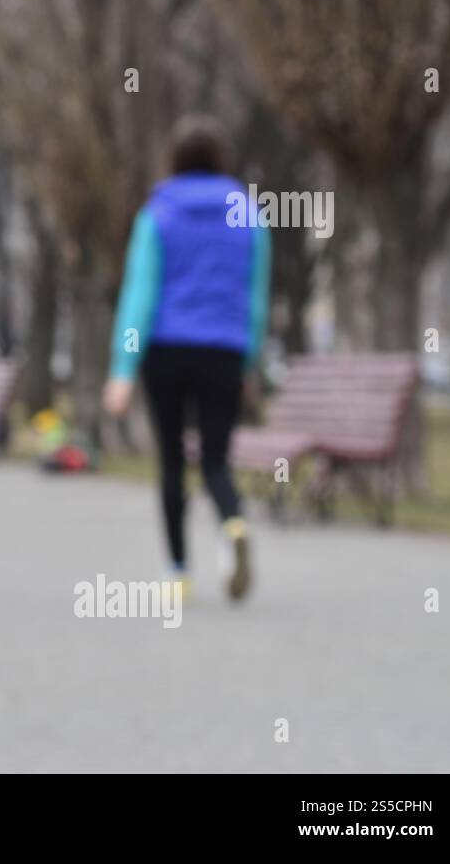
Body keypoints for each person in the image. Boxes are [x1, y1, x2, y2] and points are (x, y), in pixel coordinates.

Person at [102, 114, 270, 602]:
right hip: (223, 349)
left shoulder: (158, 214)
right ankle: (233, 523)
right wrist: (249, 361)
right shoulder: (248, 217)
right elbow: (254, 298)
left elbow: (141, 295)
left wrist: (122, 369)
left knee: (172, 461)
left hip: (167, 349)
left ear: (173, 160)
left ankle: (177, 572)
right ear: (223, 161)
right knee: (216, 459)